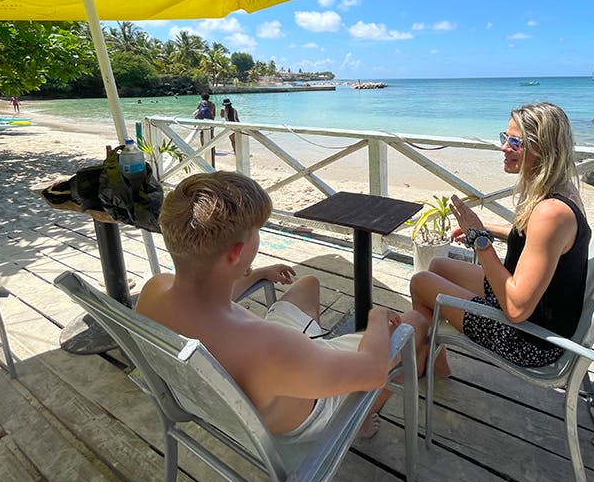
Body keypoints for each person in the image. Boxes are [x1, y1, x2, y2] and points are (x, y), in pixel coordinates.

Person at [136, 171, 427, 441]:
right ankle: (361, 417)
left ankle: (321, 345)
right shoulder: (270, 347)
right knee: (415, 323)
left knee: (307, 285)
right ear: (237, 252)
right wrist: (375, 317)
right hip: (310, 411)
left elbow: (205, 297)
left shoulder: (154, 290)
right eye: (257, 231)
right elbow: (373, 372)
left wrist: (257, 272)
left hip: (262, 381)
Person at [408, 102, 591, 375]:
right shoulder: (561, 188)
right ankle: (435, 363)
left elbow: (517, 309)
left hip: (530, 338)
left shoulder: (551, 213)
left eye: (515, 142)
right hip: (537, 307)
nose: (504, 147)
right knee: (438, 267)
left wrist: (480, 241)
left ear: (542, 148)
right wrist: (488, 228)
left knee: (421, 282)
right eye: (505, 138)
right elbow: (539, 242)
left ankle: (421, 364)